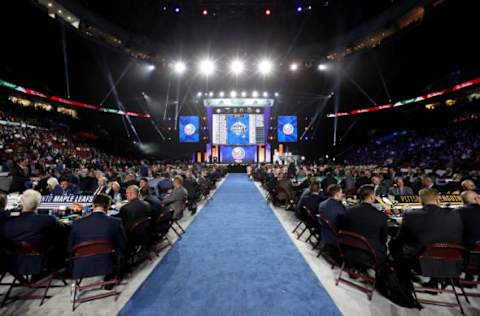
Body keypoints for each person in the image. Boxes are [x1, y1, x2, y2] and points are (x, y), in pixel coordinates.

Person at [392, 188, 463, 267]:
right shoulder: (455, 214)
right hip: (451, 258)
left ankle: (404, 279)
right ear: (438, 199)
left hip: (421, 261)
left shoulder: (410, 215)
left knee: (395, 245)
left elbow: (400, 238)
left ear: (420, 201)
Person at [0, 189, 66, 269]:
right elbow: (62, 230)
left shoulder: (7, 222)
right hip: (40, 260)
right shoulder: (48, 220)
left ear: (21, 203)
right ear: (39, 204)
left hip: (13, 262)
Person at [68, 193, 127, 279]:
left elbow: (69, 248)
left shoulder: (76, 224)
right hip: (107, 263)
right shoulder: (115, 222)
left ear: (93, 205)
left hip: (81, 266)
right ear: (108, 206)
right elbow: (123, 245)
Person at [339, 184, 388, 265]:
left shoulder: (348, 211)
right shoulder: (381, 216)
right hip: (370, 254)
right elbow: (384, 239)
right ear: (372, 197)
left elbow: (343, 229)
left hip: (348, 250)